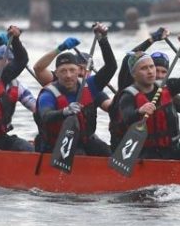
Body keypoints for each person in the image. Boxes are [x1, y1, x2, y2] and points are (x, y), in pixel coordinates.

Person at [109, 33, 180, 161]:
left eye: (151, 67)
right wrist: (140, 111)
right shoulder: (127, 95)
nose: (150, 71)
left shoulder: (168, 87)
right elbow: (127, 117)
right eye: (144, 68)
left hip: (170, 149)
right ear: (133, 74)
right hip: (142, 151)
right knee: (151, 158)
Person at [34, 24, 117, 157]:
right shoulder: (49, 94)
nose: (68, 75)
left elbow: (111, 66)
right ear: (56, 74)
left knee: (108, 152)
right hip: (56, 145)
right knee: (79, 154)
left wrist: (103, 40)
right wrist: (64, 111)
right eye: (63, 71)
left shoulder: (90, 85)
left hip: (84, 140)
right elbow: (45, 115)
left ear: (78, 71)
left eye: (72, 70)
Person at [30, 22, 116, 111]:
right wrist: (60, 49)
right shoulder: (60, 79)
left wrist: (103, 40)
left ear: (91, 72)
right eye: (79, 68)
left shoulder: (92, 87)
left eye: (87, 69)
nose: (82, 73)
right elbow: (38, 69)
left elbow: (110, 107)